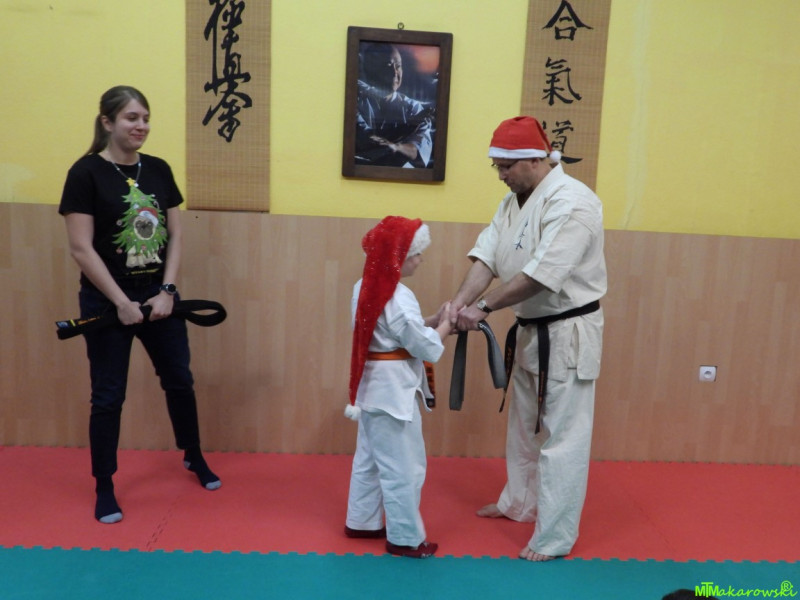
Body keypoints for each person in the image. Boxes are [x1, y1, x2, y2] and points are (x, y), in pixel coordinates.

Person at [59, 85, 220, 524]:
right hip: (107, 302)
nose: (141, 126)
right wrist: (121, 302)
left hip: (158, 296)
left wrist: (167, 291)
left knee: (179, 380)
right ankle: (104, 484)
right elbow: (80, 247)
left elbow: (176, 234)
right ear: (107, 122)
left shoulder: (159, 169)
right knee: (108, 395)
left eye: (145, 118)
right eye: (131, 118)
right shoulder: (86, 173)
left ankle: (193, 454)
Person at [450, 116, 606, 561]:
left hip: (568, 331)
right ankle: (519, 503)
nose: (500, 175)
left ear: (536, 160)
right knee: (522, 427)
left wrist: (483, 308)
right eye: (496, 166)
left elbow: (542, 275)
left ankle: (554, 537)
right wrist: (458, 304)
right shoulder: (512, 201)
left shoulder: (574, 202)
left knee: (563, 437)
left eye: (506, 166)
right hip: (530, 328)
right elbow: (487, 258)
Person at [344, 216, 452, 558]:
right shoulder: (398, 294)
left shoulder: (364, 285)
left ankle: (361, 522)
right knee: (403, 466)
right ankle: (405, 538)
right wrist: (448, 324)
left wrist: (433, 321)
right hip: (392, 392)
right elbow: (423, 345)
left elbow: (396, 330)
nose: (420, 260)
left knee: (370, 459)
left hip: (371, 387)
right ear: (398, 257)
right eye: (416, 253)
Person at [355, 43, 434, 168]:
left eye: (398, 66)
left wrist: (396, 147)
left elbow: (417, 152)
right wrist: (408, 127)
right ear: (369, 70)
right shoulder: (356, 97)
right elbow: (367, 139)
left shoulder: (413, 108)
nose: (394, 73)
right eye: (386, 66)